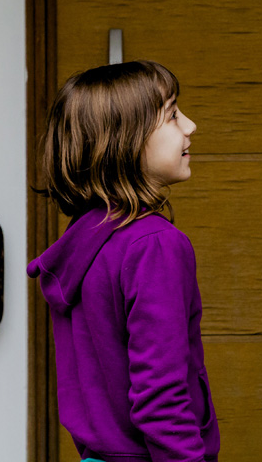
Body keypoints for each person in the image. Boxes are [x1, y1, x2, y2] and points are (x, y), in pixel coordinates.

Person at [27, 61, 219, 462]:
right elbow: (160, 398)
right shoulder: (155, 245)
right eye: (171, 115)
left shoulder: (86, 240)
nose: (190, 126)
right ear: (125, 141)